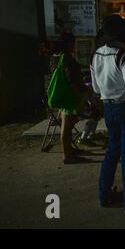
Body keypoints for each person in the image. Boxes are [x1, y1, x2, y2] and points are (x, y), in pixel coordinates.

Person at [90, 15, 125, 216]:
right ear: (121, 33)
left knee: (112, 150)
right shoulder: (124, 55)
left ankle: (104, 195)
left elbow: (96, 87)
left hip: (108, 108)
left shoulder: (95, 55)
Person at [49, 31, 87, 164]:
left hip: (62, 94)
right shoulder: (66, 58)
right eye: (73, 43)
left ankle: (70, 150)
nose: (74, 46)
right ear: (69, 44)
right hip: (69, 96)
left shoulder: (55, 57)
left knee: (69, 124)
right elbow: (71, 80)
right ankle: (67, 155)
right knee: (66, 125)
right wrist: (78, 94)